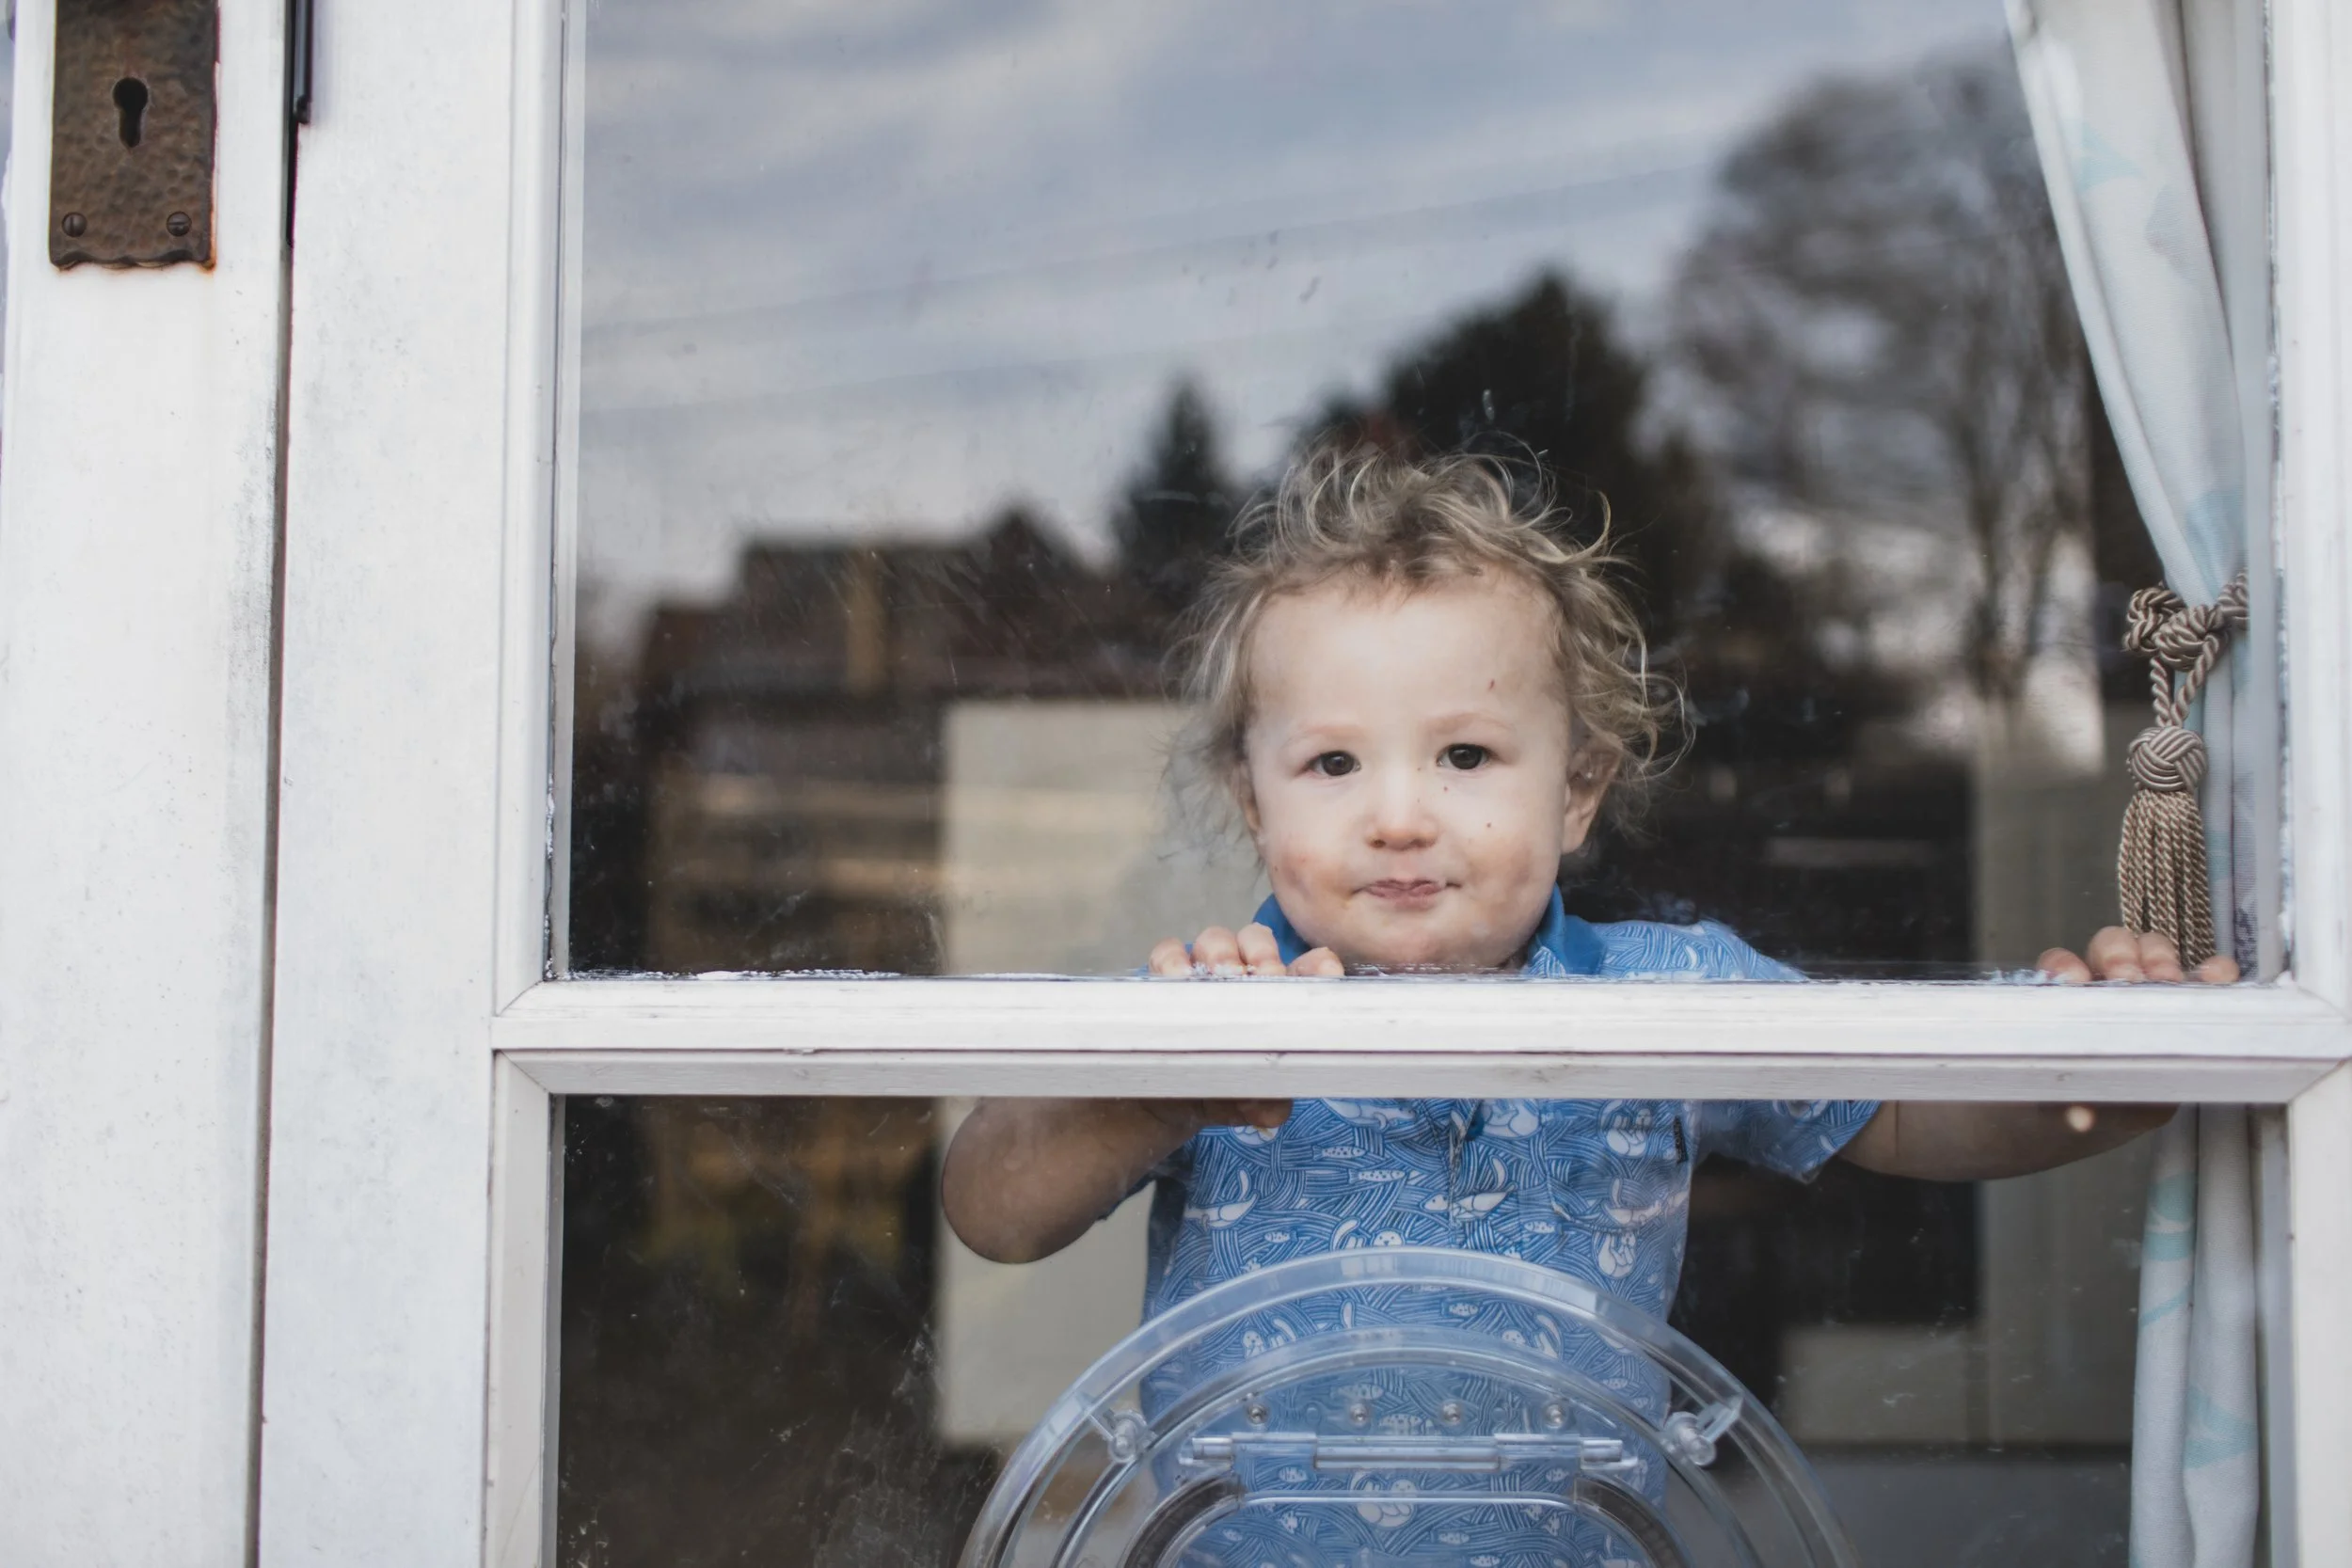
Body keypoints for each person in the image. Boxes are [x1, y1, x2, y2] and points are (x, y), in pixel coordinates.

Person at [938, 446, 2224, 1557]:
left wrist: (2078, 1085)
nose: (1398, 813)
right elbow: (989, 1206)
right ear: (1250, 795)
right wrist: (1150, 1092)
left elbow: (1894, 1102)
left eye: (1466, 755)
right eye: (1332, 761)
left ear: (1576, 792)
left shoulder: (1663, 996)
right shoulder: (1218, 1004)